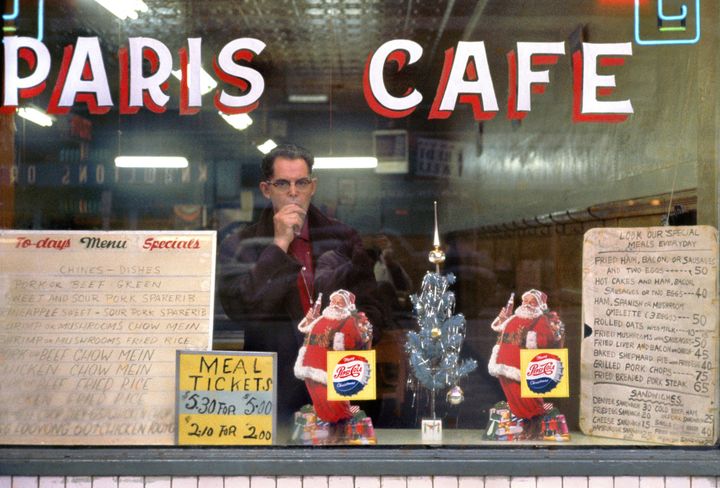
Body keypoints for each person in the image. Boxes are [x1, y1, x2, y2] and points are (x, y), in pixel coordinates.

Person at [218, 143, 381, 423]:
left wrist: (346, 338)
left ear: (313, 186)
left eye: (301, 182)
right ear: (266, 189)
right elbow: (243, 310)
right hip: (273, 387)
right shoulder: (241, 244)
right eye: (282, 183)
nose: (293, 192)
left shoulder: (342, 238)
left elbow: (376, 311)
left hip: (338, 380)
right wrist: (280, 244)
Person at [487, 289, 563, 421]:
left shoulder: (540, 319)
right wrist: (502, 318)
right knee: (511, 394)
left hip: (521, 364)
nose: (527, 304)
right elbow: (499, 328)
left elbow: (549, 339)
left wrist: (531, 338)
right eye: (525, 301)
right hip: (502, 362)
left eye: (532, 302)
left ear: (539, 305)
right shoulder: (515, 316)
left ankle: (532, 421)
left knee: (527, 398)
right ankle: (520, 421)